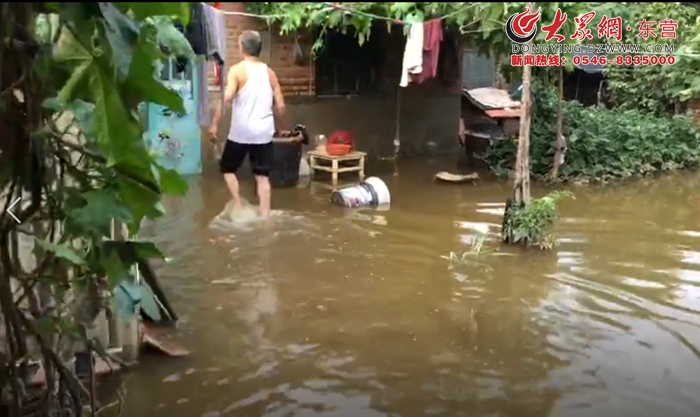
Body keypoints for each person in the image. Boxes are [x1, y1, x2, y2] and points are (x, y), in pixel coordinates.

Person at [209, 30, 286, 218]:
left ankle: (239, 205)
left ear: (241, 47)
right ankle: (265, 216)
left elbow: (226, 99)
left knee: (227, 168)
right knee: (262, 176)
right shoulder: (270, 73)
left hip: (241, 132)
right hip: (263, 133)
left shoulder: (237, 70)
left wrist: (214, 124)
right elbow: (281, 107)